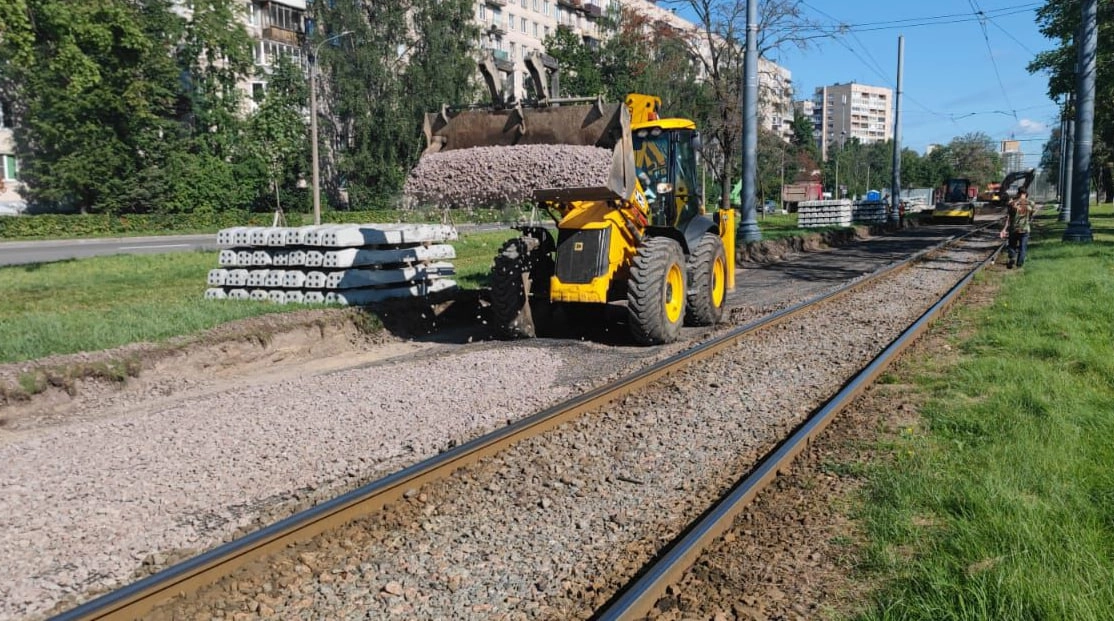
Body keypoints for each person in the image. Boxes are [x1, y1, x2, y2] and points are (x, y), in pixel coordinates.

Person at [999, 188, 1034, 269]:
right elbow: (1031, 216)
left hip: (1013, 229)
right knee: (1023, 247)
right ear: (1026, 194)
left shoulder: (1012, 203)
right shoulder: (1031, 203)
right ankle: (1019, 264)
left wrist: (1004, 229)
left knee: (1012, 245)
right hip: (1025, 229)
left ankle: (1012, 257)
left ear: (1018, 193)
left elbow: (1008, 217)